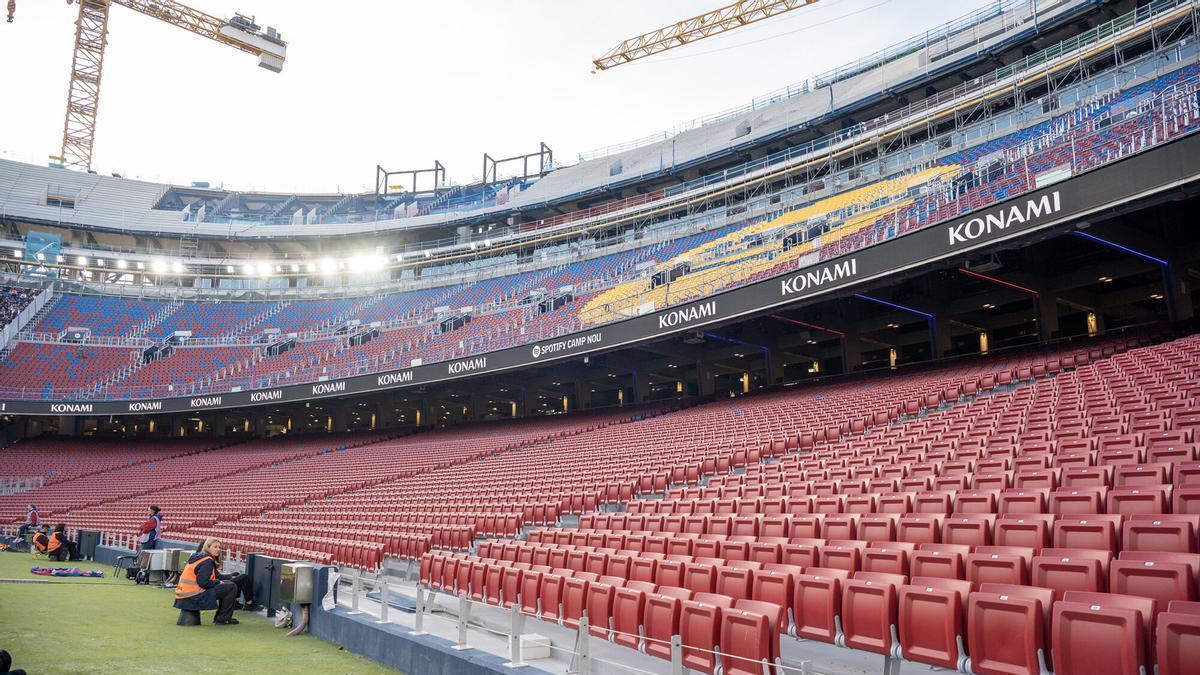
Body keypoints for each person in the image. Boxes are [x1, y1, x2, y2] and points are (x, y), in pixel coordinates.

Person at [174, 538, 239, 625]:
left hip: (184, 595)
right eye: (215, 547)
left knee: (228, 585)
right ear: (207, 547)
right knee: (231, 587)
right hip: (193, 596)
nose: (218, 549)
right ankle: (223, 618)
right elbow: (203, 583)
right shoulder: (207, 561)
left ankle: (221, 617)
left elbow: (217, 576)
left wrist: (228, 577)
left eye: (219, 547)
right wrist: (217, 582)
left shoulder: (198, 557)